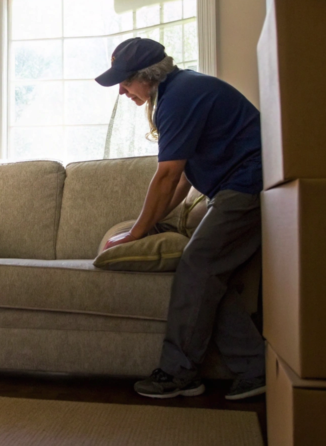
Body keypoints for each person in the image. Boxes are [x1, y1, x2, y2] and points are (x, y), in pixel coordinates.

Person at [96, 38, 265, 400]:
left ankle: (178, 374)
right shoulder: (179, 90)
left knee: (197, 266)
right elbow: (184, 176)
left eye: (125, 82)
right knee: (209, 278)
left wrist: (137, 231)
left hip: (249, 185)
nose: (123, 92)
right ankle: (256, 367)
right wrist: (151, 224)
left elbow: (168, 176)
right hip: (237, 186)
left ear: (147, 76)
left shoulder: (179, 98)